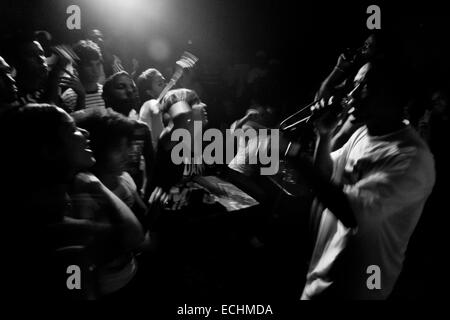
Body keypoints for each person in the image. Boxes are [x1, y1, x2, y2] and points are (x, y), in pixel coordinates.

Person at [298, 60, 435, 299]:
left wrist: (292, 155)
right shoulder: (363, 132)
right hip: (322, 276)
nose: (351, 94)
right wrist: (324, 134)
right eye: (354, 84)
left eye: (364, 86)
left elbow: (350, 211)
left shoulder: (412, 158)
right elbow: (327, 173)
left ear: (393, 95)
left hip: (356, 288)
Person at [0, 104, 144, 299]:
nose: (84, 132)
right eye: (72, 129)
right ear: (49, 150)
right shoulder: (65, 239)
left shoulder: (55, 206)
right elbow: (133, 234)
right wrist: (97, 185)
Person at [102, 71, 154, 199]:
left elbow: (152, 169)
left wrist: (147, 197)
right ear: (106, 96)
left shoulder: (142, 129)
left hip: (137, 200)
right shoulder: (100, 127)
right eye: (121, 87)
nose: (130, 91)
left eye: (132, 87)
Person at [60, 40, 105, 113]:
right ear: (77, 67)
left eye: (98, 64)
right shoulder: (69, 97)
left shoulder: (106, 92)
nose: (95, 70)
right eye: (89, 65)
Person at [137, 68, 167, 149]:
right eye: (160, 84)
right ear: (150, 92)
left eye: (164, 81)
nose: (166, 85)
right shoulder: (150, 105)